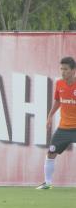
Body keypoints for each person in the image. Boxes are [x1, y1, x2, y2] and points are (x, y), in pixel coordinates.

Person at [36, 56, 76, 190]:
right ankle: (47, 183)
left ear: (73, 71)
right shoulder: (59, 84)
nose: (63, 72)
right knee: (51, 152)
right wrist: (49, 116)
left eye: (66, 69)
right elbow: (58, 101)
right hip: (63, 128)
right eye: (61, 69)